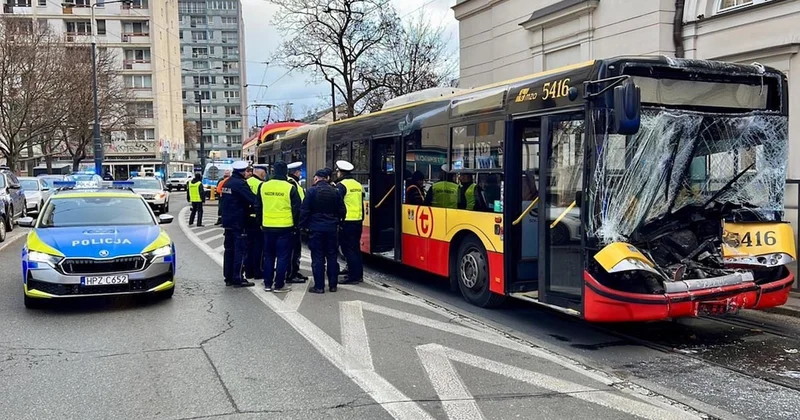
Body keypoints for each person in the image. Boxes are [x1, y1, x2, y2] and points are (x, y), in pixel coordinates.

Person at [300, 169, 346, 293]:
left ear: (316, 178)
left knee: (317, 258)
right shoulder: (335, 192)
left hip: (316, 229)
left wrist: (302, 226)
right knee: (332, 257)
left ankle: (319, 286)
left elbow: (304, 211)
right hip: (331, 229)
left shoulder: (311, 191)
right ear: (327, 178)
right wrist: (338, 222)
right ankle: (333, 285)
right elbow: (342, 210)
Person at [259, 160, 302, 293]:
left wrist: (260, 222)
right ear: (285, 172)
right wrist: (296, 226)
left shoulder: (264, 186)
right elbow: (297, 209)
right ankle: (279, 285)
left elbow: (258, 206)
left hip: (267, 226)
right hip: (285, 227)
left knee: (269, 256)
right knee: (283, 257)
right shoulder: (290, 187)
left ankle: (267, 284)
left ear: (273, 171)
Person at [220, 162, 256, 288]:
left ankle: (228, 277)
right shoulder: (240, 184)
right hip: (239, 222)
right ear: (243, 171)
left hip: (228, 222)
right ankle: (238, 277)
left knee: (229, 250)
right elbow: (252, 199)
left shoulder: (227, 183)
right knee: (239, 251)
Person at [335, 160, 364, 285]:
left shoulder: (341, 185)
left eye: (337, 171)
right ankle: (358, 274)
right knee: (355, 248)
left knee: (348, 250)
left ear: (341, 173)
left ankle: (353, 276)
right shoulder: (358, 185)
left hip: (346, 221)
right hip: (358, 220)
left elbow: (338, 204)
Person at [286, 161, 308, 283]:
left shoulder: (293, 183)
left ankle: (294, 271)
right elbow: (296, 205)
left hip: (294, 222)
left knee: (295, 249)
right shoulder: (292, 184)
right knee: (293, 250)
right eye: (299, 171)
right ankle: (291, 274)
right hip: (294, 222)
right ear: (296, 172)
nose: (300, 173)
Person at [244, 164, 267, 281]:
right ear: (262, 173)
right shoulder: (261, 185)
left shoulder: (246, 182)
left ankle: (248, 272)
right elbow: (261, 203)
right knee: (258, 247)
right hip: (257, 220)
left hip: (246, 219)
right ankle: (257, 271)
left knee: (248, 246)